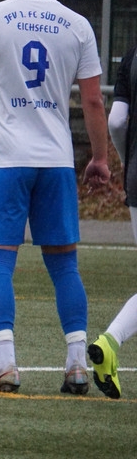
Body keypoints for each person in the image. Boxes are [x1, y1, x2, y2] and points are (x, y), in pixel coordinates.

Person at [0, 0, 110, 394]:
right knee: (65, 267)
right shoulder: (77, 25)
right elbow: (92, 101)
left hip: (6, 160)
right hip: (56, 161)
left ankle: (6, 365)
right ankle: (76, 365)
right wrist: (101, 158)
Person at [88, 45, 137, 399]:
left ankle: (109, 342)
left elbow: (117, 120)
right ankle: (110, 340)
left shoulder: (133, 52)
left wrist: (128, 162)